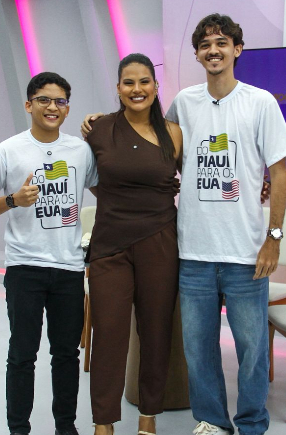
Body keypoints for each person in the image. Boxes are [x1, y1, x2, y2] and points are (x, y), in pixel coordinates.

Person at [82, 13, 286, 435]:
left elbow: (280, 172)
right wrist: (97, 124)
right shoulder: (184, 104)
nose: (213, 50)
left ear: (237, 49)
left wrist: (273, 237)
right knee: (199, 350)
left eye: (222, 42)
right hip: (192, 251)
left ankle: (252, 424)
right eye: (205, 44)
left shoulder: (260, 102)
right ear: (197, 53)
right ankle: (213, 422)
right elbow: (153, 159)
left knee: (252, 349)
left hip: (245, 252)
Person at [0, 72, 98, 435]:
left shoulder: (80, 150)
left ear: (68, 108)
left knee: (66, 355)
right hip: (25, 267)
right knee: (23, 355)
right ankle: (18, 429)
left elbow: (107, 195)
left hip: (69, 268)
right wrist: (13, 200)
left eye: (60, 101)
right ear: (29, 105)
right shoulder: (9, 150)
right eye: (44, 99)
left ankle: (65, 427)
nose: (52, 107)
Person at [85, 53, 183, 435]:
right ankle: (103, 423)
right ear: (118, 88)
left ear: (156, 88)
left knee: (156, 332)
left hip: (159, 241)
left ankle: (148, 418)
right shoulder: (98, 129)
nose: (137, 89)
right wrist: (118, 199)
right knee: (108, 334)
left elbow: (194, 181)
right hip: (110, 243)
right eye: (129, 82)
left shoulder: (173, 132)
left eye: (145, 82)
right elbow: (92, 178)